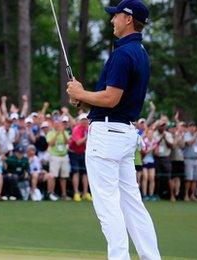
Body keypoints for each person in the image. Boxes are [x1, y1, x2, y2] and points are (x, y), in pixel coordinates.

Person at [66, 1, 161, 259]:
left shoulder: (122, 54)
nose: (112, 20)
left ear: (128, 19)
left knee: (109, 207)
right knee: (133, 205)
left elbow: (111, 99)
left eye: (115, 16)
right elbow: (114, 100)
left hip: (107, 136)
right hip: (124, 134)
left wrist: (81, 93)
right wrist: (82, 98)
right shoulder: (140, 52)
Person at [46, 117, 71, 200]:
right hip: (54, 156)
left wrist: (63, 133)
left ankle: (64, 194)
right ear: (53, 124)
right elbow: (51, 143)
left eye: (58, 123)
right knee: (53, 176)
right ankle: (51, 193)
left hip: (64, 156)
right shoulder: (50, 133)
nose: (57, 125)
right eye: (55, 124)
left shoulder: (65, 132)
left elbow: (67, 142)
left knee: (64, 177)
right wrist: (57, 134)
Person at [69, 114, 91, 202]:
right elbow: (78, 142)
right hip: (74, 153)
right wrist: (87, 137)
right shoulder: (76, 129)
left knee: (85, 173)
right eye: (83, 120)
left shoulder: (88, 129)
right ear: (79, 121)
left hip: (84, 153)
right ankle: (76, 193)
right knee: (76, 172)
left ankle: (85, 193)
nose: (84, 121)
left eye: (86, 120)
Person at [183, 122, 197, 201]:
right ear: (188, 128)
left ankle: (192, 195)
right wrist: (196, 135)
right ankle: (186, 195)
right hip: (189, 159)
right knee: (189, 178)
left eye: (194, 126)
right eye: (191, 126)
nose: (192, 128)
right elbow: (189, 143)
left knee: (195, 178)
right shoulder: (187, 135)